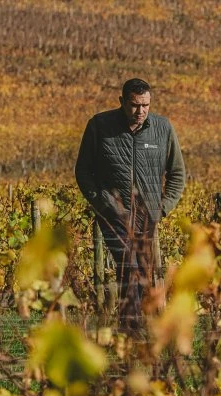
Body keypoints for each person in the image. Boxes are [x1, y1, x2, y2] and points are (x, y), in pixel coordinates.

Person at [75, 78, 186, 333]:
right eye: (135, 105)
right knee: (129, 265)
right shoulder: (100, 126)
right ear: (122, 102)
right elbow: (83, 170)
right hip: (114, 214)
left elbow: (177, 174)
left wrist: (163, 207)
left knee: (141, 271)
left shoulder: (163, 129)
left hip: (147, 215)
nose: (141, 111)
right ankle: (132, 329)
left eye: (146, 105)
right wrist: (102, 201)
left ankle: (131, 327)